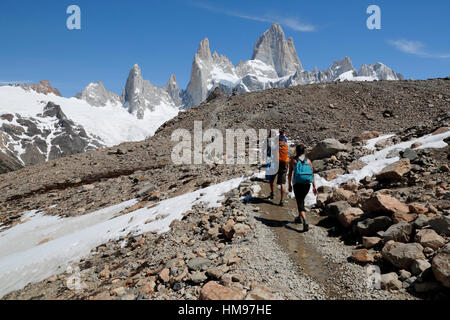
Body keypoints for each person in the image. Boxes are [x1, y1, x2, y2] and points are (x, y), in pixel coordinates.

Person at [288, 144, 318, 231]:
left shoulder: (293, 161)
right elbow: (312, 174)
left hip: (297, 184)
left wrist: (289, 185)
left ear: (296, 151)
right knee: (301, 200)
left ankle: (305, 221)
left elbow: (290, 174)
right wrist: (314, 186)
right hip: (307, 184)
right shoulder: (308, 161)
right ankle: (299, 217)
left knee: (300, 202)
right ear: (304, 151)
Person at [269, 129, 289, 206]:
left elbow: (272, 151)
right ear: (284, 133)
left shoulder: (275, 140)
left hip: (276, 162)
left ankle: (272, 193)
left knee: (271, 179)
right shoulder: (285, 141)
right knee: (282, 183)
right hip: (284, 162)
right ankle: (282, 200)